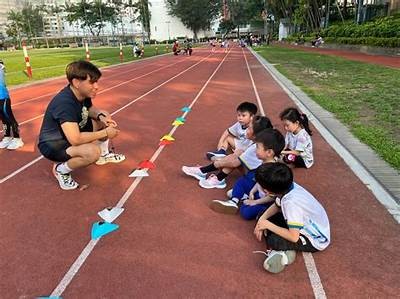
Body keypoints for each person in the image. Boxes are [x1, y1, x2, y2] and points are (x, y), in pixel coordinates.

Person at [37, 60, 125, 190]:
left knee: (104, 114)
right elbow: (75, 139)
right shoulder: (64, 103)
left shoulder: (82, 93)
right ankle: (61, 169)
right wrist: (106, 133)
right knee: (92, 152)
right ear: (76, 82)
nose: (96, 86)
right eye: (92, 82)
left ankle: (104, 155)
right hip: (55, 144)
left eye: (97, 82)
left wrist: (102, 117)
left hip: (72, 132)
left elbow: (90, 109)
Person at [253, 163, 330, 273]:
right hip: (306, 223)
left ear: (267, 191)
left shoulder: (291, 203)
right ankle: (284, 251)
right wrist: (262, 220)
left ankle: (280, 252)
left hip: (315, 239)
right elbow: (276, 205)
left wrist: (267, 225)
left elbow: (294, 237)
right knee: (262, 215)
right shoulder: (288, 187)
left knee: (274, 240)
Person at [210, 128, 285, 219]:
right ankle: (234, 201)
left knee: (246, 212)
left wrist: (255, 202)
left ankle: (260, 208)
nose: (255, 149)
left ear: (269, 152)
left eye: (257, 147)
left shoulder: (274, 171)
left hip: (266, 200)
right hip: (259, 192)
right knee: (243, 181)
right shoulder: (264, 162)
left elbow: (273, 197)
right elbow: (259, 181)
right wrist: (252, 191)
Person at [182, 116, 272, 189]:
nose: (246, 130)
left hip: (254, 178)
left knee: (237, 156)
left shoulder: (255, 148)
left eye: (249, 128)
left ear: (256, 135)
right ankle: (217, 178)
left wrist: (217, 163)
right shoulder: (258, 143)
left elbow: (234, 163)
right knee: (238, 153)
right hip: (254, 172)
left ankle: (205, 171)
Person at [0, 59, 24, 150]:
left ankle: (17, 138)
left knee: (9, 118)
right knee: (3, 119)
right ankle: (7, 137)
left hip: (3, 97)